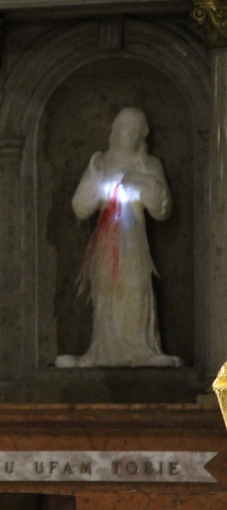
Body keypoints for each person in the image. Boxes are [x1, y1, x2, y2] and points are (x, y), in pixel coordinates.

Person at [55, 107, 183, 368]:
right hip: (107, 240)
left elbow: (162, 209)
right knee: (108, 291)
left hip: (134, 239)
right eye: (125, 128)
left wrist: (143, 182)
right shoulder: (100, 162)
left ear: (142, 135)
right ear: (114, 131)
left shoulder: (149, 164)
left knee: (136, 286)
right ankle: (103, 352)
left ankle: (142, 350)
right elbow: (81, 205)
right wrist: (95, 180)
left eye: (136, 130)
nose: (129, 134)